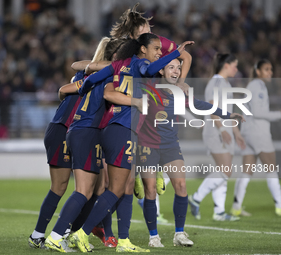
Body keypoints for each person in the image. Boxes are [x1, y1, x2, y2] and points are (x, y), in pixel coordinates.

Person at [69, 33, 193, 252]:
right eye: (156, 49)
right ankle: (81, 233)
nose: (158, 53)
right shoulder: (143, 64)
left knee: (119, 189)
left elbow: (94, 77)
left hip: (112, 129)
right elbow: (149, 70)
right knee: (115, 190)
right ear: (143, 49)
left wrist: (83, 87)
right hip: (124, 129)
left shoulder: (118, 65)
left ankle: (120, 240)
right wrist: (175, 52)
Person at [137, 58, 245, 247]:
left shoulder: (179, 92)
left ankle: (179, 234)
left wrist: (228, 114)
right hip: (148, 146)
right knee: (151, 191)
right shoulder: (147, 88)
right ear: (160, 71)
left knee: (181, 186)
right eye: (171, 67)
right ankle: (153, 237)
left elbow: (201, 105)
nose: (176, 71)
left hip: (170, 145)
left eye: (178, 68)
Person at [28, 37, 118, 250]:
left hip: (65, 128)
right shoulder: (104, 75)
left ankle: (54, 233)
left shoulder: (88, 72)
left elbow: (62, 90)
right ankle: (52, 235)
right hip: (66, 128)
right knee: (75, 188)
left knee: (89, 188)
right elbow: (65, 89)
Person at [188, 53, 246, 221]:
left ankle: (219, 212)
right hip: (216, 131)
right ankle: (196, 198)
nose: (236, 69)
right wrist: (221, 130)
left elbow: (228, 113)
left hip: (226, 131)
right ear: (226, 65)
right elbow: (211, 108)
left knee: (224, 171)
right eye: (234, 65)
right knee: (226, 170)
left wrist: (236, 133)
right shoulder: (216, 82)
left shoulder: (226, 83)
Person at [231, 59, 281, 217]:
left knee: (247, 171)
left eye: (271, 69)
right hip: (258, 133)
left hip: (248, 131)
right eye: (267, 69)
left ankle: (236, 206)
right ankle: (280, 205)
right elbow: (258, 113)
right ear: (258, 71)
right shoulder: (257, 86)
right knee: (271, 169)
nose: (270, 73)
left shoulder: (254, 86)